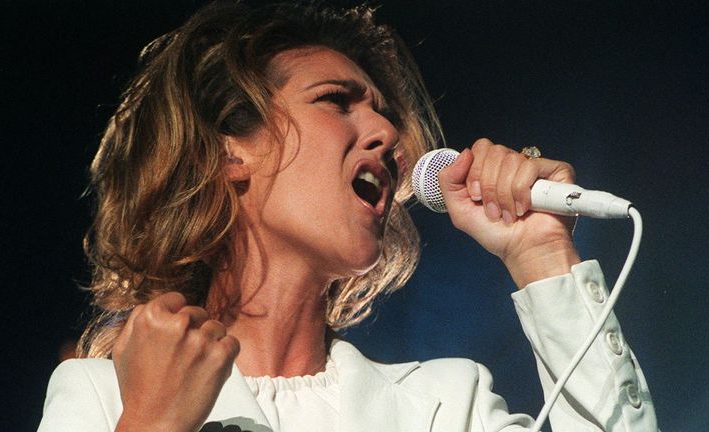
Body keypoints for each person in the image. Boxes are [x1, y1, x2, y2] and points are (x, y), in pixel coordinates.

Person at [38, 2, 658, 431]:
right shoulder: (104, 396)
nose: (388, 132)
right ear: (228, 152)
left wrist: (543, 257)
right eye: (335, 101)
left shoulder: (445, 403)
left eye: (386, 113)